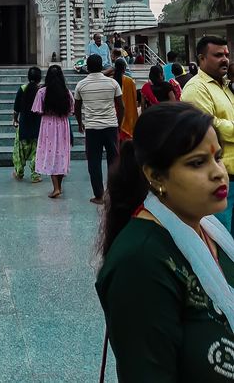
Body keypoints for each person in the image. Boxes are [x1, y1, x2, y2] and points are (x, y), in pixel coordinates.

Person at [96, 103, 234, 383]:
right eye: (197, 163)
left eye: (218, 158)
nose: (219, 172)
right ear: (155, 176)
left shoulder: (210, 230)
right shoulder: (140, 262)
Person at [182, 35, 234, 234]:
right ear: (202, 58)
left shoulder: (226, 86)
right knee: (220, 238)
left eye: (226, 54)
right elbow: (208, 127)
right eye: (218, 55)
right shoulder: (196, 89)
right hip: (217, 180)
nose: (225, 59)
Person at [74, 54, 123, 205]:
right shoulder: (112, 83)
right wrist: (118, 124)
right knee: (113, 160)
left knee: (94, 162)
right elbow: (121, 107)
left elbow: (76, 108)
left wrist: (80, 123)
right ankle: (114, 193)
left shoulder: (81, 85)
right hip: (110, 126)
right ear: (102, 66)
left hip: (92, 128)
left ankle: (99, 195)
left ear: (87, 67)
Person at [31, 65, 74, 198]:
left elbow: (37, 109)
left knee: (50, 154)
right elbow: (71, 110)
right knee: (61, 154)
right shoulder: (66, 92)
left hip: (48, 125)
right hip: (62, 125)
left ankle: (56, 188)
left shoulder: (42, 92)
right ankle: (58, 186)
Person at [12, 66, 42, 183]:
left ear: (28, 77)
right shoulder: (41, 90)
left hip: (24, 123)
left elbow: (16, 108)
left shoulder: (22, 89)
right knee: (37, 150)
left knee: (20, 151)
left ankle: (19, 172)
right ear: (39, 78)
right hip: (38, 124)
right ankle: (36, 175)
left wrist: (15, 120)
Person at [113, 57, 138, 140]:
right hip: (127, 113)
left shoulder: (111, 81)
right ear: (124, 68)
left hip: (113, 113)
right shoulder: (130, 81)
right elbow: (133, 100)